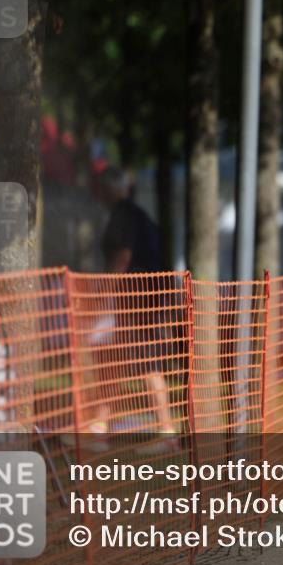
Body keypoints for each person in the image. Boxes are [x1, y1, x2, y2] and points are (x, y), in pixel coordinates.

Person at [94, 167, 177, 450]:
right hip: (141, 297)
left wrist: (101, 293)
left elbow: (123, 255)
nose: (101, 193)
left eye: (105, 186)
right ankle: (99, 426)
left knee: (145, 364)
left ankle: (166, 431)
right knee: (119, 360)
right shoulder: (134, 214)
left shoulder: (124, 214)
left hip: (138, 299)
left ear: (119, 189)